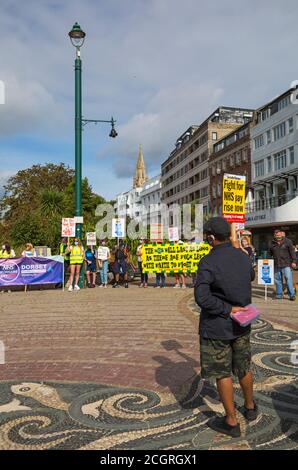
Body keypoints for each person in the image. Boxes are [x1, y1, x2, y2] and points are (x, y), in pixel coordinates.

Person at [195, 217, 257, 438]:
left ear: (210, 237)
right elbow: (250, 275)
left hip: (217, 327)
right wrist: (239, 249)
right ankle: (250, 407)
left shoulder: (208, 261)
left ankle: (231, 420)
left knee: (222, 373)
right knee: (243, 366)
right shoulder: (242, 256)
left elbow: (201, 297)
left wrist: (227, 309)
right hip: (243, 322)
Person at [268, 229, 296, 301]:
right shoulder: (272, 243)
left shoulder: (288, 241)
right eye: (276, 235)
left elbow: (292, 252)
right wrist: (268, 260)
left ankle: (292, 295)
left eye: (279, 235)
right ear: (274, 235)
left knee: (288, 279)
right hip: (276, 264)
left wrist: (294, 261)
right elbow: (269, 253)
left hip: (286, 264)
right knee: (278, 280)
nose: (278, 236)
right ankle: (279, 295)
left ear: (282, 234)